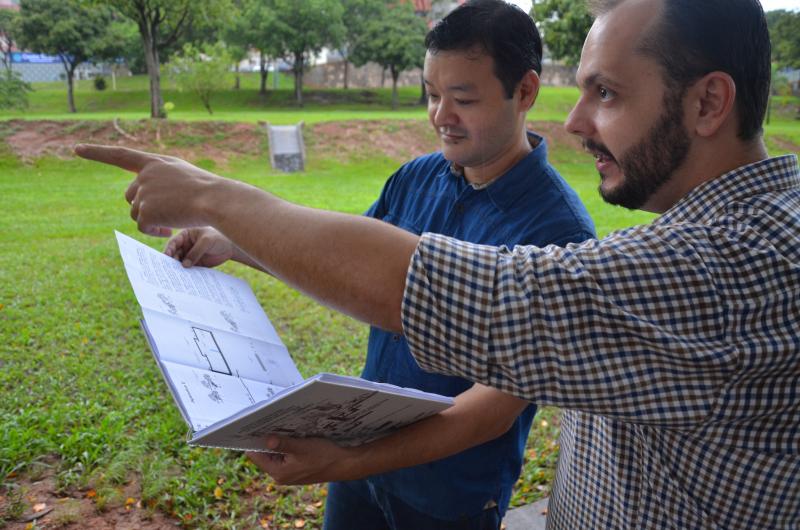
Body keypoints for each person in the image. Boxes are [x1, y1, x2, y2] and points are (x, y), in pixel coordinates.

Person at [76, 0, 799, 527]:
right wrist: (242, 243)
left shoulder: (727, 269)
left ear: (708, 103)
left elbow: (457, 297)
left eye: (606, 94)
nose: (577, 124)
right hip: (365, 455)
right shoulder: (710, 233)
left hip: (446, 495)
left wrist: (214, 196)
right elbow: (358, 255)